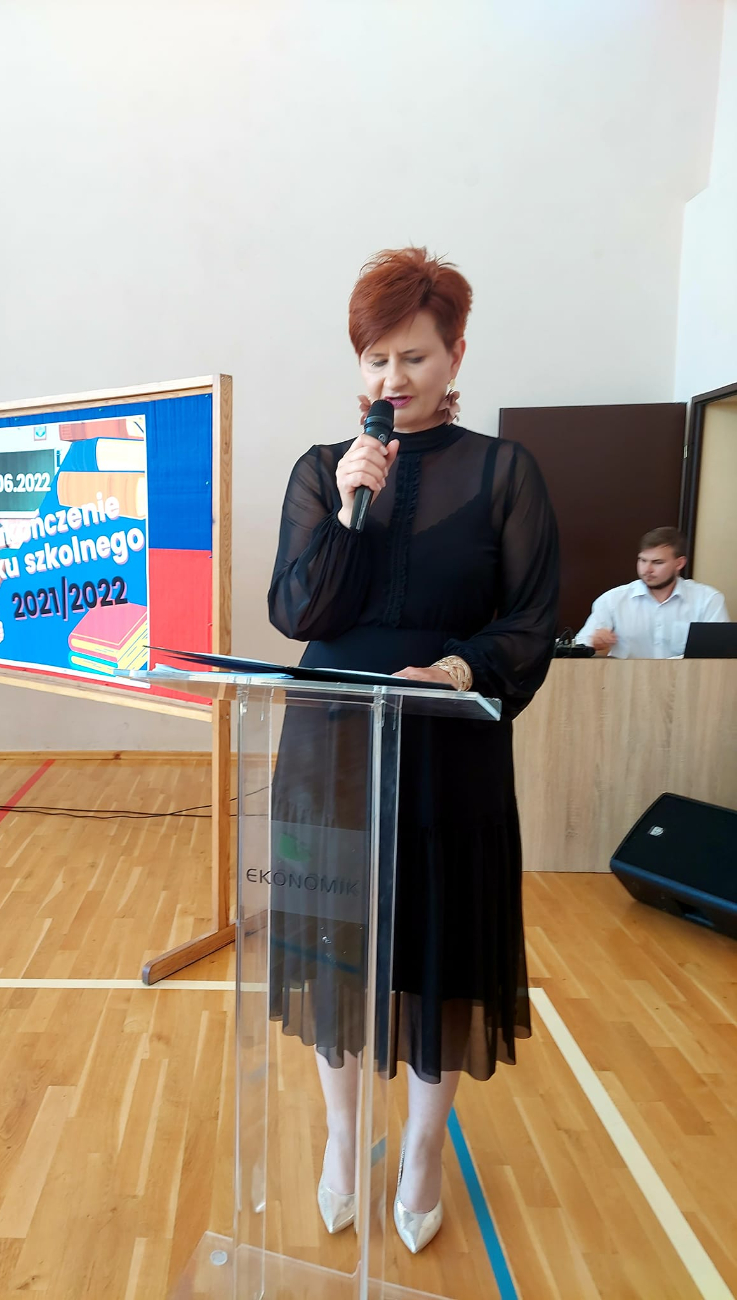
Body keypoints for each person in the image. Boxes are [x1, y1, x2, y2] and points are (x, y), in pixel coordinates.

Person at [267, 245, 559, 1255]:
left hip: (446, 748)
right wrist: (350, 512)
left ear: (455, 354)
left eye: (414, 356)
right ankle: (344, 1138)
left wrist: (458, 667)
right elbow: (298, 611)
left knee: (441, 948)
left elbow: (531, 619)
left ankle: (425, 1149)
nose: (393, 377)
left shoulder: (505, 471)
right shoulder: (323, 470)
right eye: (376, 358)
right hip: (330, 748)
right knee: (334, 943)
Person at [575, 526, 729, 658]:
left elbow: (719, 653)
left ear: (679, 563)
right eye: (642, 560)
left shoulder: (708, 599)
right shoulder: (612, 600)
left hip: (687, 681)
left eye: (657, 562)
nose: (647, 569)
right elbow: (579, 646)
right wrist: (594, 643)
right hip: (625, 681)